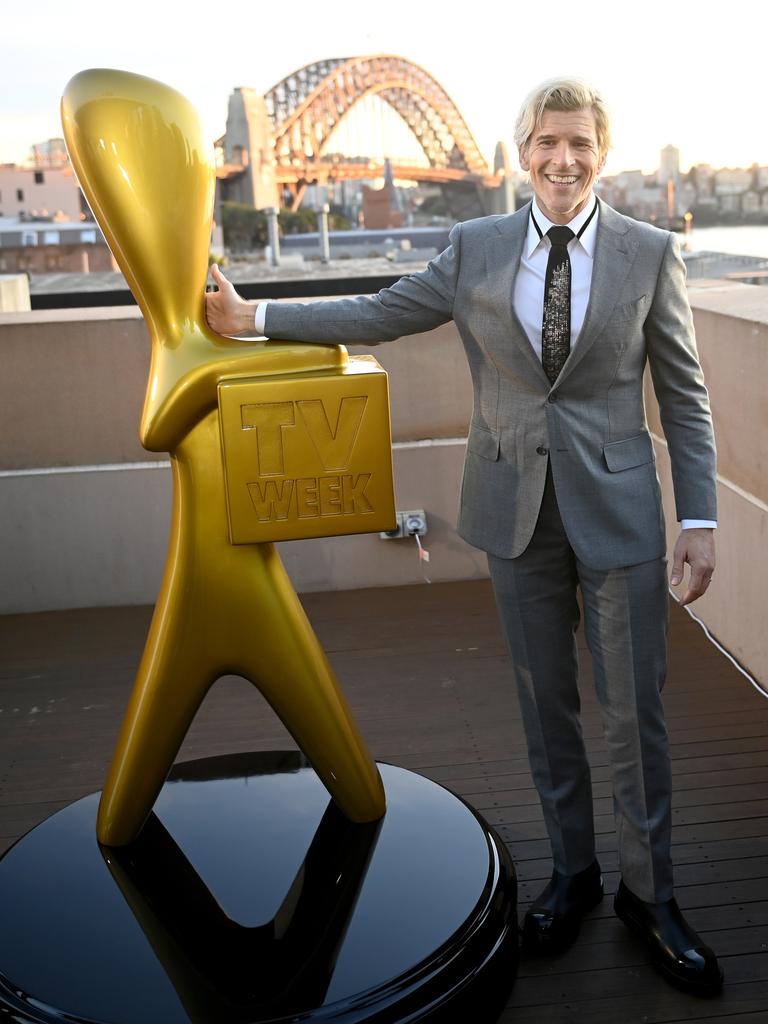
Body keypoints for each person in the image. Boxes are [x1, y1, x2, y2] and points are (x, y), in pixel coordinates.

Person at [205, 78, 721, 994]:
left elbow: (683, 394)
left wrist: (700, 520)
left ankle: (651, 895)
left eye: (580, 144)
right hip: (512, 511)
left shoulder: (651, 253)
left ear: (603, 152)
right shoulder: (474, 247)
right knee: (544, 708)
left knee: (634, 713)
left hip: (623, 514)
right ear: (521, 151)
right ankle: (574, 874)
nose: (563, 160)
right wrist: (255, 320)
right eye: (546, 143)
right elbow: (379, 313)